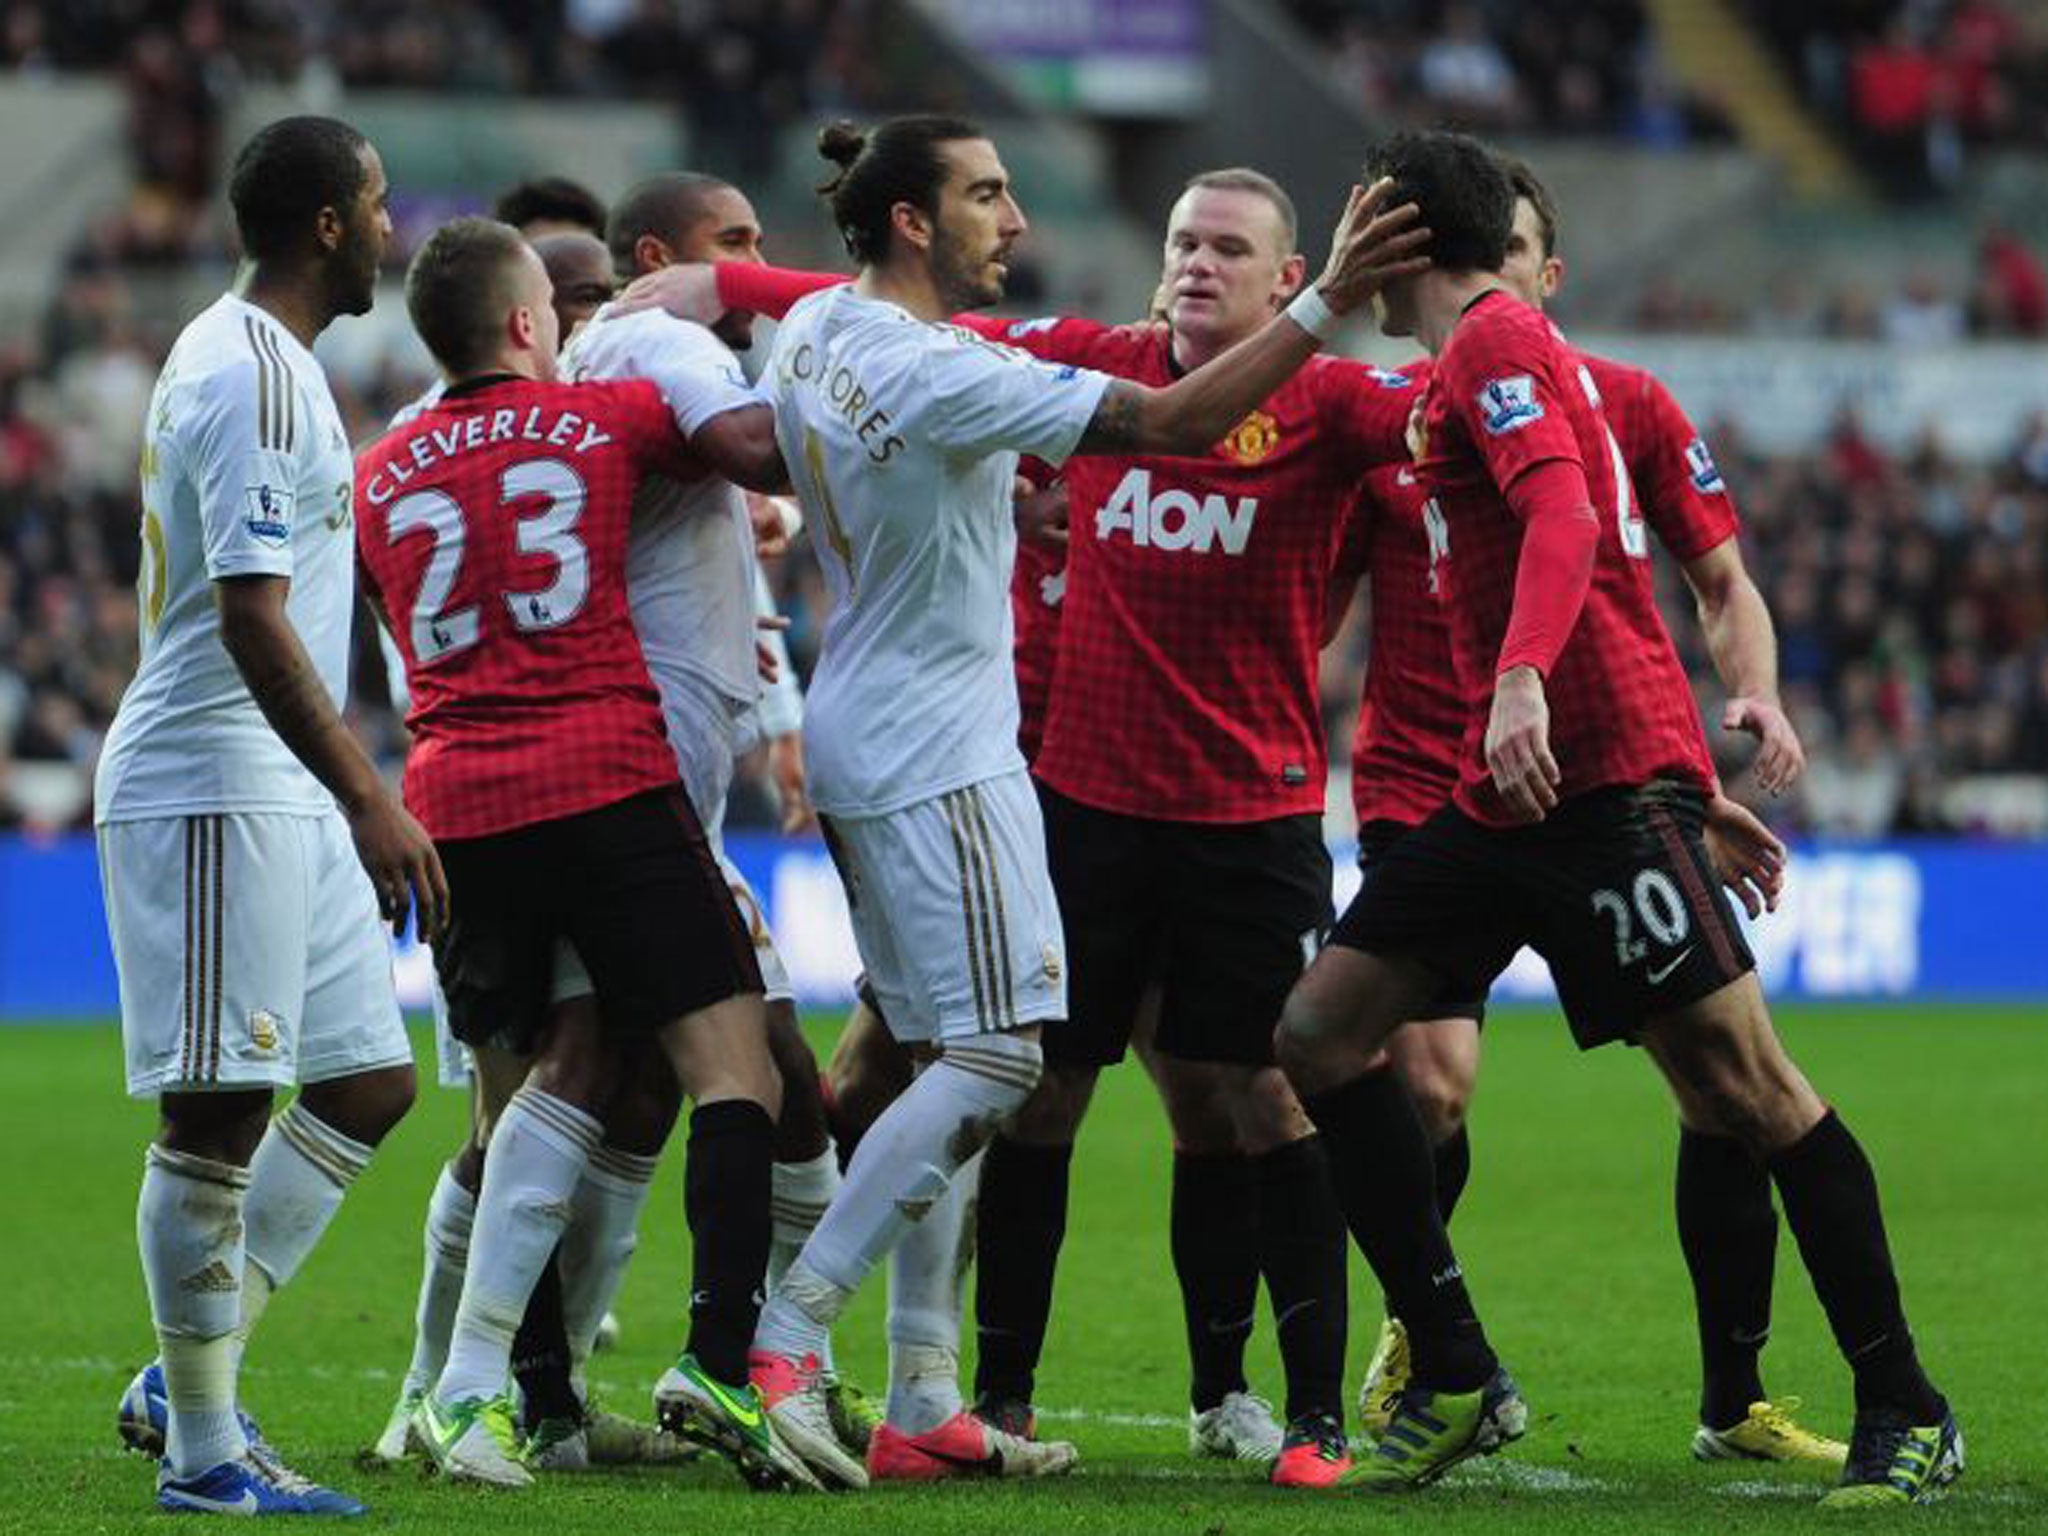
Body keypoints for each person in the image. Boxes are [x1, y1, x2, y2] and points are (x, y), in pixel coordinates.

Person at [714, 112, 1424, 1490]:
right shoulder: (941, 366)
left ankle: (927, 1390)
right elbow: (1173, 421)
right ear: (915, 220)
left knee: (938, 1055)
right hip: (946, 750)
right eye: (987, 195)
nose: (1017, 221)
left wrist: (996, 517)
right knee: (1000, 1061)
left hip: (868, 711)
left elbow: (852, 463)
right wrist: (1332, 296)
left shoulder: (820, 338)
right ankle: (787, 1344)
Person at [1275, 129, 1960, 1508]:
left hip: (1583, 790)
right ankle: (1455, 1365)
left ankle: (1910, 1404)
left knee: (1745, 1091)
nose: (1343, 240)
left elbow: (1567, 517)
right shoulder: (1471, 361)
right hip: (1510, 795)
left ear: (1401, 231)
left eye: (1357, 217)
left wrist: (1526, 687)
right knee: (1320, 1031)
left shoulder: (1491, 338)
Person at [1342, 157, 1837, 1470]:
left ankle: (1733, 1398)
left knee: (1716, 1087)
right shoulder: (1400, 404)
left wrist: (1746, 711)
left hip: (1591, 781)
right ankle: (1425, 1343)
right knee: (1424, 1081)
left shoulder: (1627, 402)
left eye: (1509, 250)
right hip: (1431, 778)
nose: (1487, 275)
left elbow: (1715, 582)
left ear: (1542, 274)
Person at [355, 216, 808, 1492]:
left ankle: (480, 1395)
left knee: (527, 1091)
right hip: (604, 776)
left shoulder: (376, 471)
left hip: (455, 803)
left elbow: (408, 614)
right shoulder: (599, 418)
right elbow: (739, 453)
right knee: (733, 1070)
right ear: (521, 324)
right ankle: (723, 1359)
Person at [96, 114, 439, 1516]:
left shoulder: (259, 357)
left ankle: (190, 1369)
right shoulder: (253, 376)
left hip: (276, 786)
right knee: (217, 1116)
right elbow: (250, 618)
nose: (388, 230)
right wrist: (373, 795)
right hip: (214, 778)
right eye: (375, 205)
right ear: (326, 226)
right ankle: (204, 1456)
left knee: (368, 1083)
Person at [562, 168, 877, 1458]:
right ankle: (530, 1374)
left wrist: (774, 721)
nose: (749, 261)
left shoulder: (636, 368)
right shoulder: (663, 335)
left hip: (664, 781)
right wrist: (870, 416)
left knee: (670, 1081)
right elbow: (753, 445)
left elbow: (725, 559)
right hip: (632, 787)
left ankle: (724, 1361)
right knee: (672, 1073)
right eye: (728, 243)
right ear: (658, 254)